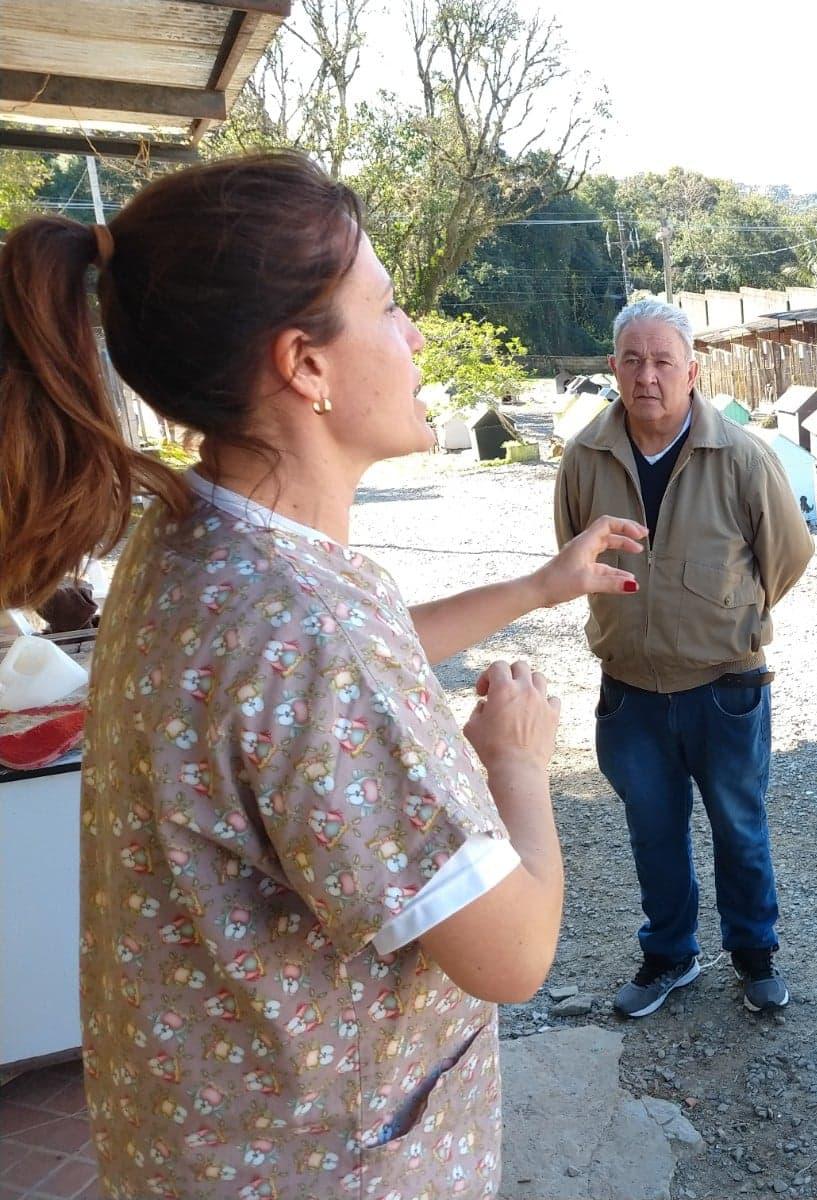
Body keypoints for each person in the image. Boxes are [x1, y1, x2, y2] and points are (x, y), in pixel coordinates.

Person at [0, 152, 646, 1199]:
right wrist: (516, 763)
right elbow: (512, 954)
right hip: (316, 1164)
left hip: (208, 1145)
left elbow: (334, 681)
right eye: (389, 309)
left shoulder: (199, 536)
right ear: (305, 363)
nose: (417, 337)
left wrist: (539, 585)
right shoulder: (304, 633)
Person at [555, 298, 813, 1019]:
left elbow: (787, 555)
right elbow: (571, 555)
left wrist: (732, 616)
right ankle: (670, 955)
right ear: (612, 368)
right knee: (653, 830)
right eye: (632, 360)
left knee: (740, 824)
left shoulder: (742, 455)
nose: (647, 376)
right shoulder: (585, 459)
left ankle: (755, 956)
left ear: (692, 371)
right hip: (630, 692)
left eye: (663, 360)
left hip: (726, 687)